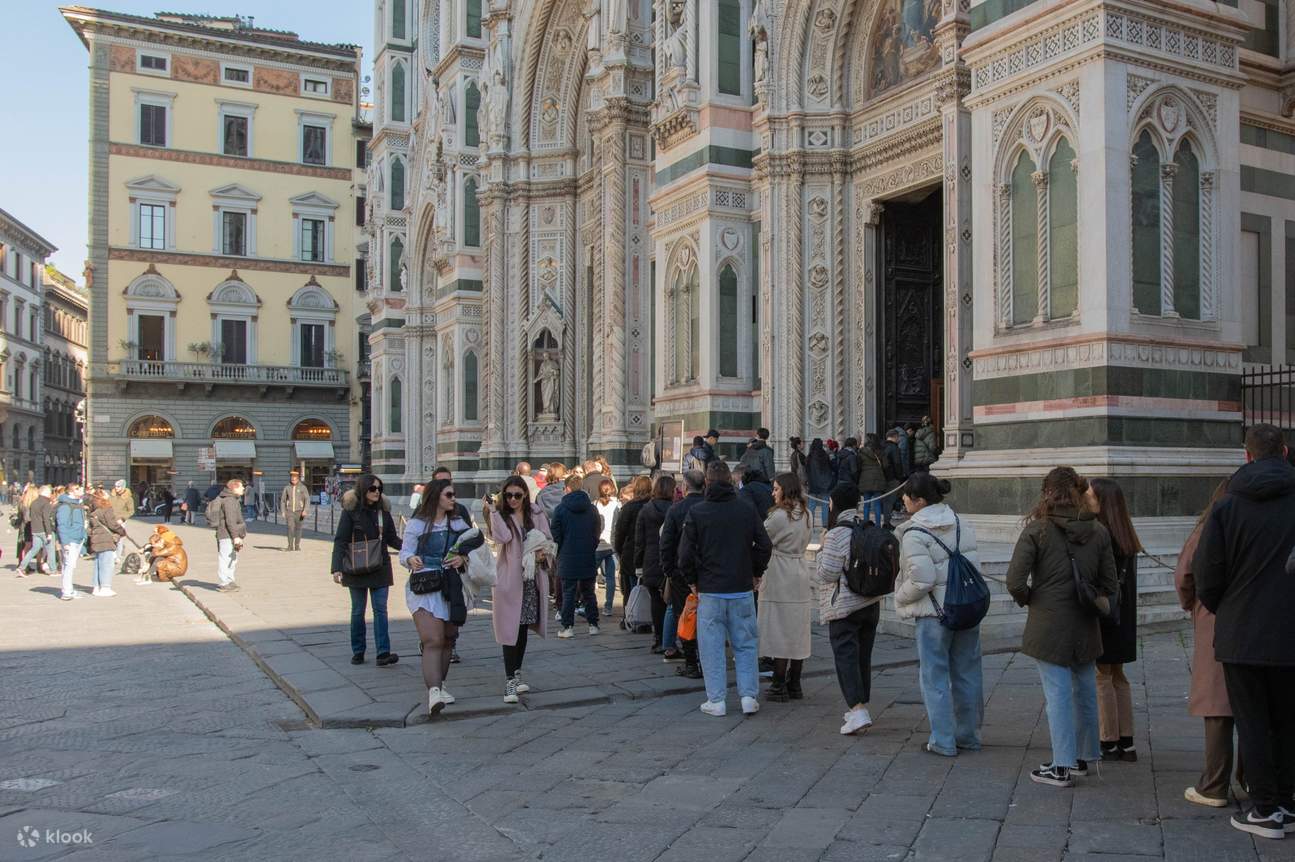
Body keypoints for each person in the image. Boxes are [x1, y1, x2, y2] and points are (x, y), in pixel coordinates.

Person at [1194, 424, 1295, 839]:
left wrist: (1229, 609)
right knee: (1288, 720)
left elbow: (1207, 576)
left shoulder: (1226, 507)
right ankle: (1287, 801)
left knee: (1252, 721)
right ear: (1285, 452)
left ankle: (1266, 808)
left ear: (1247, 456)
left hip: (1242, 632)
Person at [1007, 467, 1117, 788]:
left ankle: (1061, 766)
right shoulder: (1098, 531)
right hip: (1085, 620)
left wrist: (1030, 598)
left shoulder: (1037, 530)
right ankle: (1083, 756)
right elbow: (1110, 583)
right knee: (1084, 686)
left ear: (1047, 493)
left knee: (1057, 693)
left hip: (1049, 622)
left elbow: (1015, 580)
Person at [895, 472, 984, 756]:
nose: (903, 500)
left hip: (935, 613)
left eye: (906, 496)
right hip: (965, 607)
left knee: (934, 676)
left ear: (918, 500)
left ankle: (943, 739)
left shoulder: (914, 532)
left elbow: (922, 579)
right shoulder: (960, 522)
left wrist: (900, 597)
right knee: (968, 672)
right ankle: (968, 735)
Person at [679, 460, 773, 717]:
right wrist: (755, 572)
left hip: (710, 589)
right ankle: (748, 696)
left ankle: (717, 700)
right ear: (731, 482)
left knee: (711, 647)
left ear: (707, 483)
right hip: (741, 588)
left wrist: (692, 580)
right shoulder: (745, 509)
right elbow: (764, 545)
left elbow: (685, 554)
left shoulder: (698, 512)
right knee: (745, 644)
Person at [1175, 481, 1244, 808]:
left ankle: (1215, 784)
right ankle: (1253, 777)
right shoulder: (1261, 521)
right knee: (1255, 700)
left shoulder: (1210, 525)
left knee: (1218, 705)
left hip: (1215, 617)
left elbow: (1185, 574)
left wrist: (1194, 603)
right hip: (1258, 618)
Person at [400, 478, 481, 716]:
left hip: (450, 584)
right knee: (432, 639)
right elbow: (405, 552)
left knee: (447, 638)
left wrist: (463, 557)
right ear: (436, 496)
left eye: (453, 495)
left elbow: (475, 541)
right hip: (425, 584)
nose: (453, 499)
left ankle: (441, 685)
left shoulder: (456, 522)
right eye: (449, 495)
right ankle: (433, 691)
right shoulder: (417, 524)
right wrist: (410, 560)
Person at [815, 484, 884, 735]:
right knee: (862, 657)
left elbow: (827, 573)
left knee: (846, 657)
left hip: (845, 605)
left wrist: (822, 548)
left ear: (833, 503)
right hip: (870, 602)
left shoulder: (835, 534)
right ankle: (860, 704)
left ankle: (857, 710)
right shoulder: (867, 527)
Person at [1086, 478, 1142, 762]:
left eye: (1090, 494)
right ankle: (1127, 741)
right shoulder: (1127, 535)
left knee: (1102, 676)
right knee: (1118, 676)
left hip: (1106, 613)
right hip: (1124, 615)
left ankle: (1107, 739)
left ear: (1102, 501)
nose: (1086, 497)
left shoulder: (1100, 533)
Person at [485, 476, 554, 703]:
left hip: (531, 579)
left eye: (517, 495)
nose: (512, 499)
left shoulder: (536, 513)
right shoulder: (502, 515)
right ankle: (509, 682)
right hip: (509, 579)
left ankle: (516, 673)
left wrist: (543, 552)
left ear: (525, 495)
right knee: (509, 629)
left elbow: (548, 539)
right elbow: (502, 537)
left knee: (522, 627)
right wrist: (494, 512)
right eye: (508, 495)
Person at [332, 475, 402, 667]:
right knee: (357, 611)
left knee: (380, 610)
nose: (376, 492)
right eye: (372, 489)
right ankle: (358, 650)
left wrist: (410, 549)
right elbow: (341, 540)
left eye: (379, 488)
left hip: (380, 567)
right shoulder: (350, 512)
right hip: (355, 567)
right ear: (363, 490)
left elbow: (392, 539)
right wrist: (336, 568)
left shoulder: (383, 513)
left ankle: (383, 652)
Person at [760, 472, 813, 703]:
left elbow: (761, 540)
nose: (773, 493)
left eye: (775, 489)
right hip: (799, 571)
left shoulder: (780, 516)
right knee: (797, 629)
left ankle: (778, 683)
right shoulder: (807, 514)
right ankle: (795, 682)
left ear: (785, 490)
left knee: (779, 629)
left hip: (779, 572)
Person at [660, 469, 705, 677]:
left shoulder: (676, 510)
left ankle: (691, 663)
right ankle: (705, 661)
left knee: (685, 616)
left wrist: (669, 570)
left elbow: (666, 543)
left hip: (681, 573)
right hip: (707, 571)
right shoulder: (709, 507)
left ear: (685, 487)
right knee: (707, 618)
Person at [550, 474, 603, 637]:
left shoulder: (560, 509)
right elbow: (596, 531)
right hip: (588, 555)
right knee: (589, 592)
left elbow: (555, 535)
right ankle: (593, 625)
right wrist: (591, 546)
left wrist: (560, 550)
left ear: (566, 488)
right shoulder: (592, 509)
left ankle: (568, 627)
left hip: (567, 556)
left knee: (568, 593)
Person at [634, 474, 676, 653]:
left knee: (657, 604)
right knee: (671, 603)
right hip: (670, 561)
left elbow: (639, 541)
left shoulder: (645, 510)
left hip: (650, 561)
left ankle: (658, 639)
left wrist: (638, 565)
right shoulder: (675, 509)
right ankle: (670, 642)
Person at [613, 475, 652, 621]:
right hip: (650, 555)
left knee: (630, 590)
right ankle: (647, 618)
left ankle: (629, 617)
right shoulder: (653, 505)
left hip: (630, 553)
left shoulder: (628, 507)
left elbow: (620, 533)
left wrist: (620, 550)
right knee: (648, 589)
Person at [87, 493, 129, 598]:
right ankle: (105, 587)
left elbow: (89, 529)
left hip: (96, 540)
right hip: (106, 540)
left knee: (98, 564)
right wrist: (122, 531)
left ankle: (96, 587)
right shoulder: (107, 509)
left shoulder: (93, 512)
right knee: (107, 564)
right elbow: (112, 524)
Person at [212, 479, 247, 593]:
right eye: (241, 486)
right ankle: (224, 582)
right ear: (234, 488)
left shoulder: (230, 499)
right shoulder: (230, 500)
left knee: (232, 558)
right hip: (227, 534)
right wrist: (236, 536)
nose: (243, 488)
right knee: (226, 558)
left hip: (227, 533)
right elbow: (230, 521)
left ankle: (229, 580)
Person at [55, 484, 88, 601]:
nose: (81, 490)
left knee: (69, 565)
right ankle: (67, 591)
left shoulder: (77, 503)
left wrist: (83, 537)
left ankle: (68, 589)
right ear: (70, 492)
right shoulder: (65, 506)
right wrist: (65, 542)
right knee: (69, 565)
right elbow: (62, 525)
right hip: (71, 539)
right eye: (77, 489)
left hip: (77, 537)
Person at [593, 478, 620, 616]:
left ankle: (590, 605)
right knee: (610, 578)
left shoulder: (595, 504)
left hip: (597, 546)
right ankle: (608, 607)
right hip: (611, 546)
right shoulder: (617, 505)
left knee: (591, 577)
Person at [17, 485, 55, 576]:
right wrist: (49, 532)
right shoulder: (46, 503)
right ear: (45, 493)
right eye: (49, 492)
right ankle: (53, 570)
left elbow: (30, 517)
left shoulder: (33, 503)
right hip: (43, 530)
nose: (50, 494)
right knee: (50, 549)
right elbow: (46, 519)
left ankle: (21, 567)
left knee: (34, 549)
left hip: (35, 530)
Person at [858, 434, 887, 526]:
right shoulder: (880, 452)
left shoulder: (861, 452)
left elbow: (858, 466)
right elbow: (886, 465)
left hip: (865, 479)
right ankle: (878, 525)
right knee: (877, 505)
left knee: (866, 505)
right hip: (878, 480)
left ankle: (866, 524)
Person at [806, 438, 834, 528]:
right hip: (825, 485)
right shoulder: (825, 456)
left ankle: (810, 525)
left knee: (811, 506)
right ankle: (825, 526)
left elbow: (807, 471)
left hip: (813, 484)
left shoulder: (809, 457)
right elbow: (831, 468)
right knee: (825, 506)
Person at [281, 471, 311, 551]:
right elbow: (283, 500)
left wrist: (305, 510)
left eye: (294, 480)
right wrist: (283, 511)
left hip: (300, 511)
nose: (293, 481)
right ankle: (290, 546)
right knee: (290, 528)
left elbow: (307, 499)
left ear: (298, 479)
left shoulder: (303, 487)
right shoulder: (287, 487)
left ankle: (297, 545)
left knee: (298, 529)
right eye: (292, 480)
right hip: (290, 511)